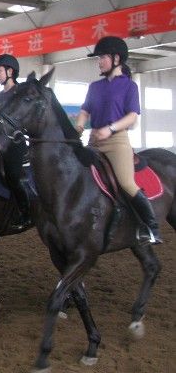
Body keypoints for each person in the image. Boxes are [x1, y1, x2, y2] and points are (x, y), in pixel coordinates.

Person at [75, 36, 162, 244]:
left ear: (116, 58)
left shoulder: (129, 86)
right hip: (93, 139)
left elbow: (132, 116)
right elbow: (85, 111)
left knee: (126, 182)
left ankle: (151, 228)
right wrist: (78, 127)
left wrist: (110, 128)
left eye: (103, 57)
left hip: (116, 141)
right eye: (99, 58)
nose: (99, 61)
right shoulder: (95, 86)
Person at [0, 54, 32, 231]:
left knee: (12, 175)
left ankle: (25, 213)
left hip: (15, 143)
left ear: (10, 71)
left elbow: (26, 118)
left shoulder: (21, 93)